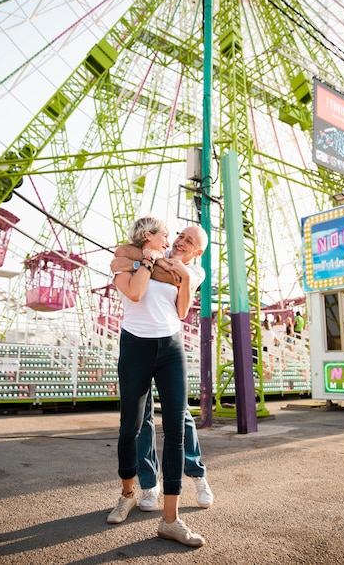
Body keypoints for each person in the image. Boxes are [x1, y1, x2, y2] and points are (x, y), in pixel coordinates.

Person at [107, 217, 207, 548]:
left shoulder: (184, 270)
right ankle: (128, 494)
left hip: (171, 347)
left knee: (176, 429)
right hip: (136, 344)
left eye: (184, 239)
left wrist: (185, 281)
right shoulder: (126, 261)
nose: (172, 240)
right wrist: (148, 260)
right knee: (131, 427)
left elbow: (180, 311)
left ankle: (171, 520)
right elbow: (135, 293)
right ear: (149, 236)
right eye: (169, 234)